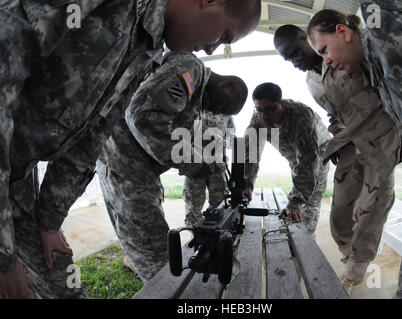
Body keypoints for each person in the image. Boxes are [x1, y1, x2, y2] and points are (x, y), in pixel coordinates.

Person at [0, 0, 262, 299]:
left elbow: (91, 135)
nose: (214, 49)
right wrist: (4, 257)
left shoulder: (146, 50)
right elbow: (141, 118)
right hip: (121, 171)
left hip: (18, 174)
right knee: (163, 268)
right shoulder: (179, 61)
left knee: (60, 281)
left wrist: (49, 218)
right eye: (225, 35)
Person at [307, 8, 402, 299]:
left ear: (344, 32)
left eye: (324, 50)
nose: (328, 62)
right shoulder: (373, 62)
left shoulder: (388, 47)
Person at [273, 24, 402, 294]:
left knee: (371, 212)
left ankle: (354, 273)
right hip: (349, 147)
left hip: (381, 143)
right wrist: (338, 141)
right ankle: (351, 257)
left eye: (295, 52)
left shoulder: (343, 55)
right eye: (288, 59)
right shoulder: (311, 81)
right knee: (339, 219)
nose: (294, 61)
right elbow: (335, 116)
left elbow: (389, 87)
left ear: (305, 37)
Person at [97, 51, 248, 283]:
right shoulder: (192, 70)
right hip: (127, 168)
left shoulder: (196, 97)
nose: (215, 112)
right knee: (158, 259)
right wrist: (193, 163)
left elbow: (172, 133)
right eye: (220, 106)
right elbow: (142, 117)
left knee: (157, 254)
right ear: (226, 84)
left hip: (136, 169)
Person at [244, 82, 330, 233]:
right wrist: (246, 186)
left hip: (319, 155)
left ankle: (307, 240)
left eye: (269, 110)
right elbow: (250, 154)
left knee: (308, 206)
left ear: (281, 104)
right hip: (294, 156)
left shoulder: (302, 116)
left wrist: (295, 202)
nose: (264, 116)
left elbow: (308, 162)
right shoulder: (258, 118)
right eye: (259, 110)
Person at [183, 113, 235, 226]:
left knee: (220, 207)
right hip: (194, 168)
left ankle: (217, 238)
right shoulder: (193, 108)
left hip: (218, 169)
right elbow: (179, 134)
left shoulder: (226, 112)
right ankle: (196, 239)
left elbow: (231, 140)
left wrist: (217, 140)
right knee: (192, 209)